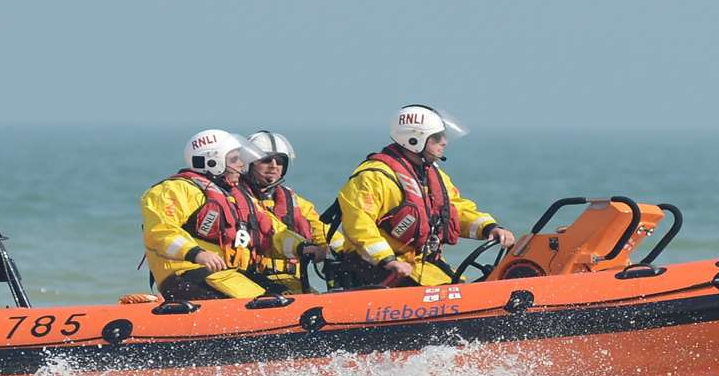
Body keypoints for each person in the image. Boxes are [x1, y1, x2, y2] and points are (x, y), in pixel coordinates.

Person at [330, 105, 514, 287]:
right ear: (413, 140)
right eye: (436, 137)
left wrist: (490, 228)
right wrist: (388, 260)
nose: (444, 142)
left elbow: (455, 210)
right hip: (377, 270)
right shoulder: (373, 177)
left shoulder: (432, 175)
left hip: (422, 267)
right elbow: (358, 224)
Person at [140, 128, 320, 301]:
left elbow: (270, 231)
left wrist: (301, 247)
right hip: (186, 273)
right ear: (213, 161)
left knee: (288, 296)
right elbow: (160, 232)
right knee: (265, 304)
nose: (241, 165)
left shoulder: (236, 196)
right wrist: (196, 254)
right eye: (234, 160)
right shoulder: (175, 190)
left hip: (227, 273)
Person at [242, 129, 332, 295]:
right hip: (252, 278)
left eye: (279, 160)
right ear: (249, 162)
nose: (274, 165)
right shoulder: (238, 199)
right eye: (266, 160)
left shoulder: (291, 199)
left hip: (291, 279)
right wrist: (303, 247)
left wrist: (340, 248)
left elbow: (319, 227)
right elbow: (272, 232)